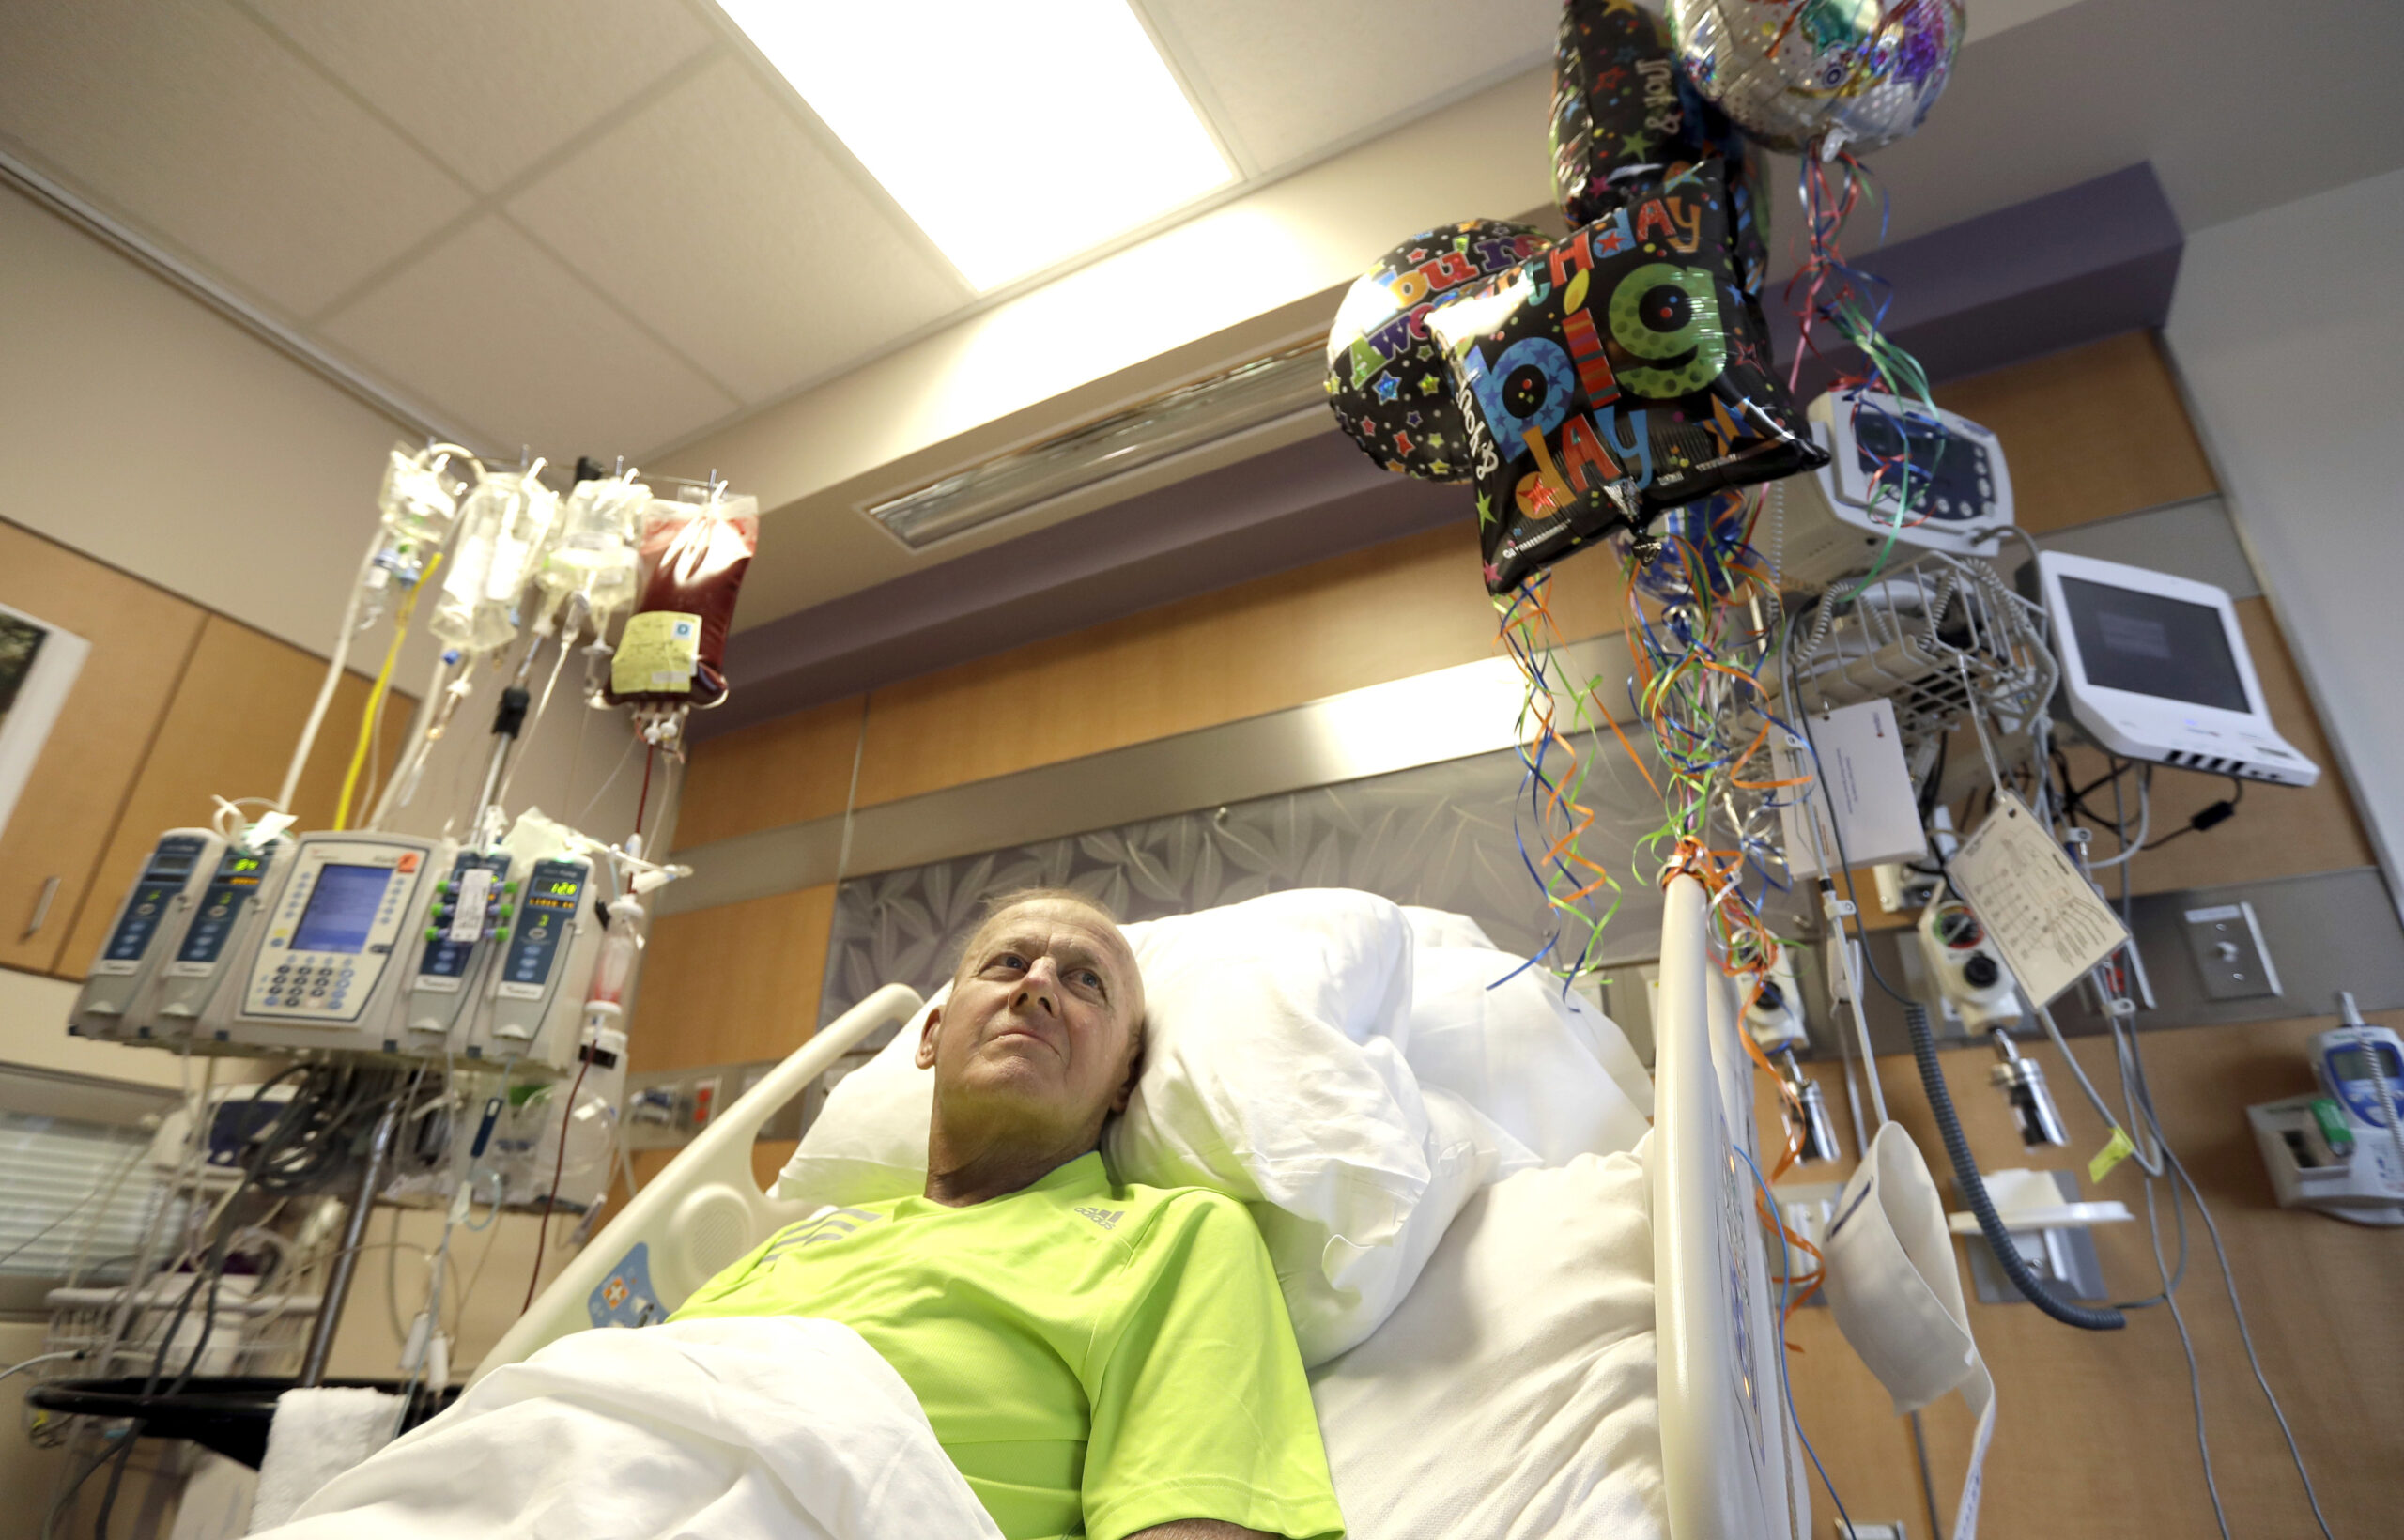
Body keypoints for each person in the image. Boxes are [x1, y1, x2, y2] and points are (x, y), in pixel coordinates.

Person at [673, 889, 1346, 1540]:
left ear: (1125, 1075)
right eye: (1007, 964)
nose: (1038, 986)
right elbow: (636, 1392)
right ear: (932, 1036)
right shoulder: (801, 1239)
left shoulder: (1174, 1238)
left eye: (1086, 982)